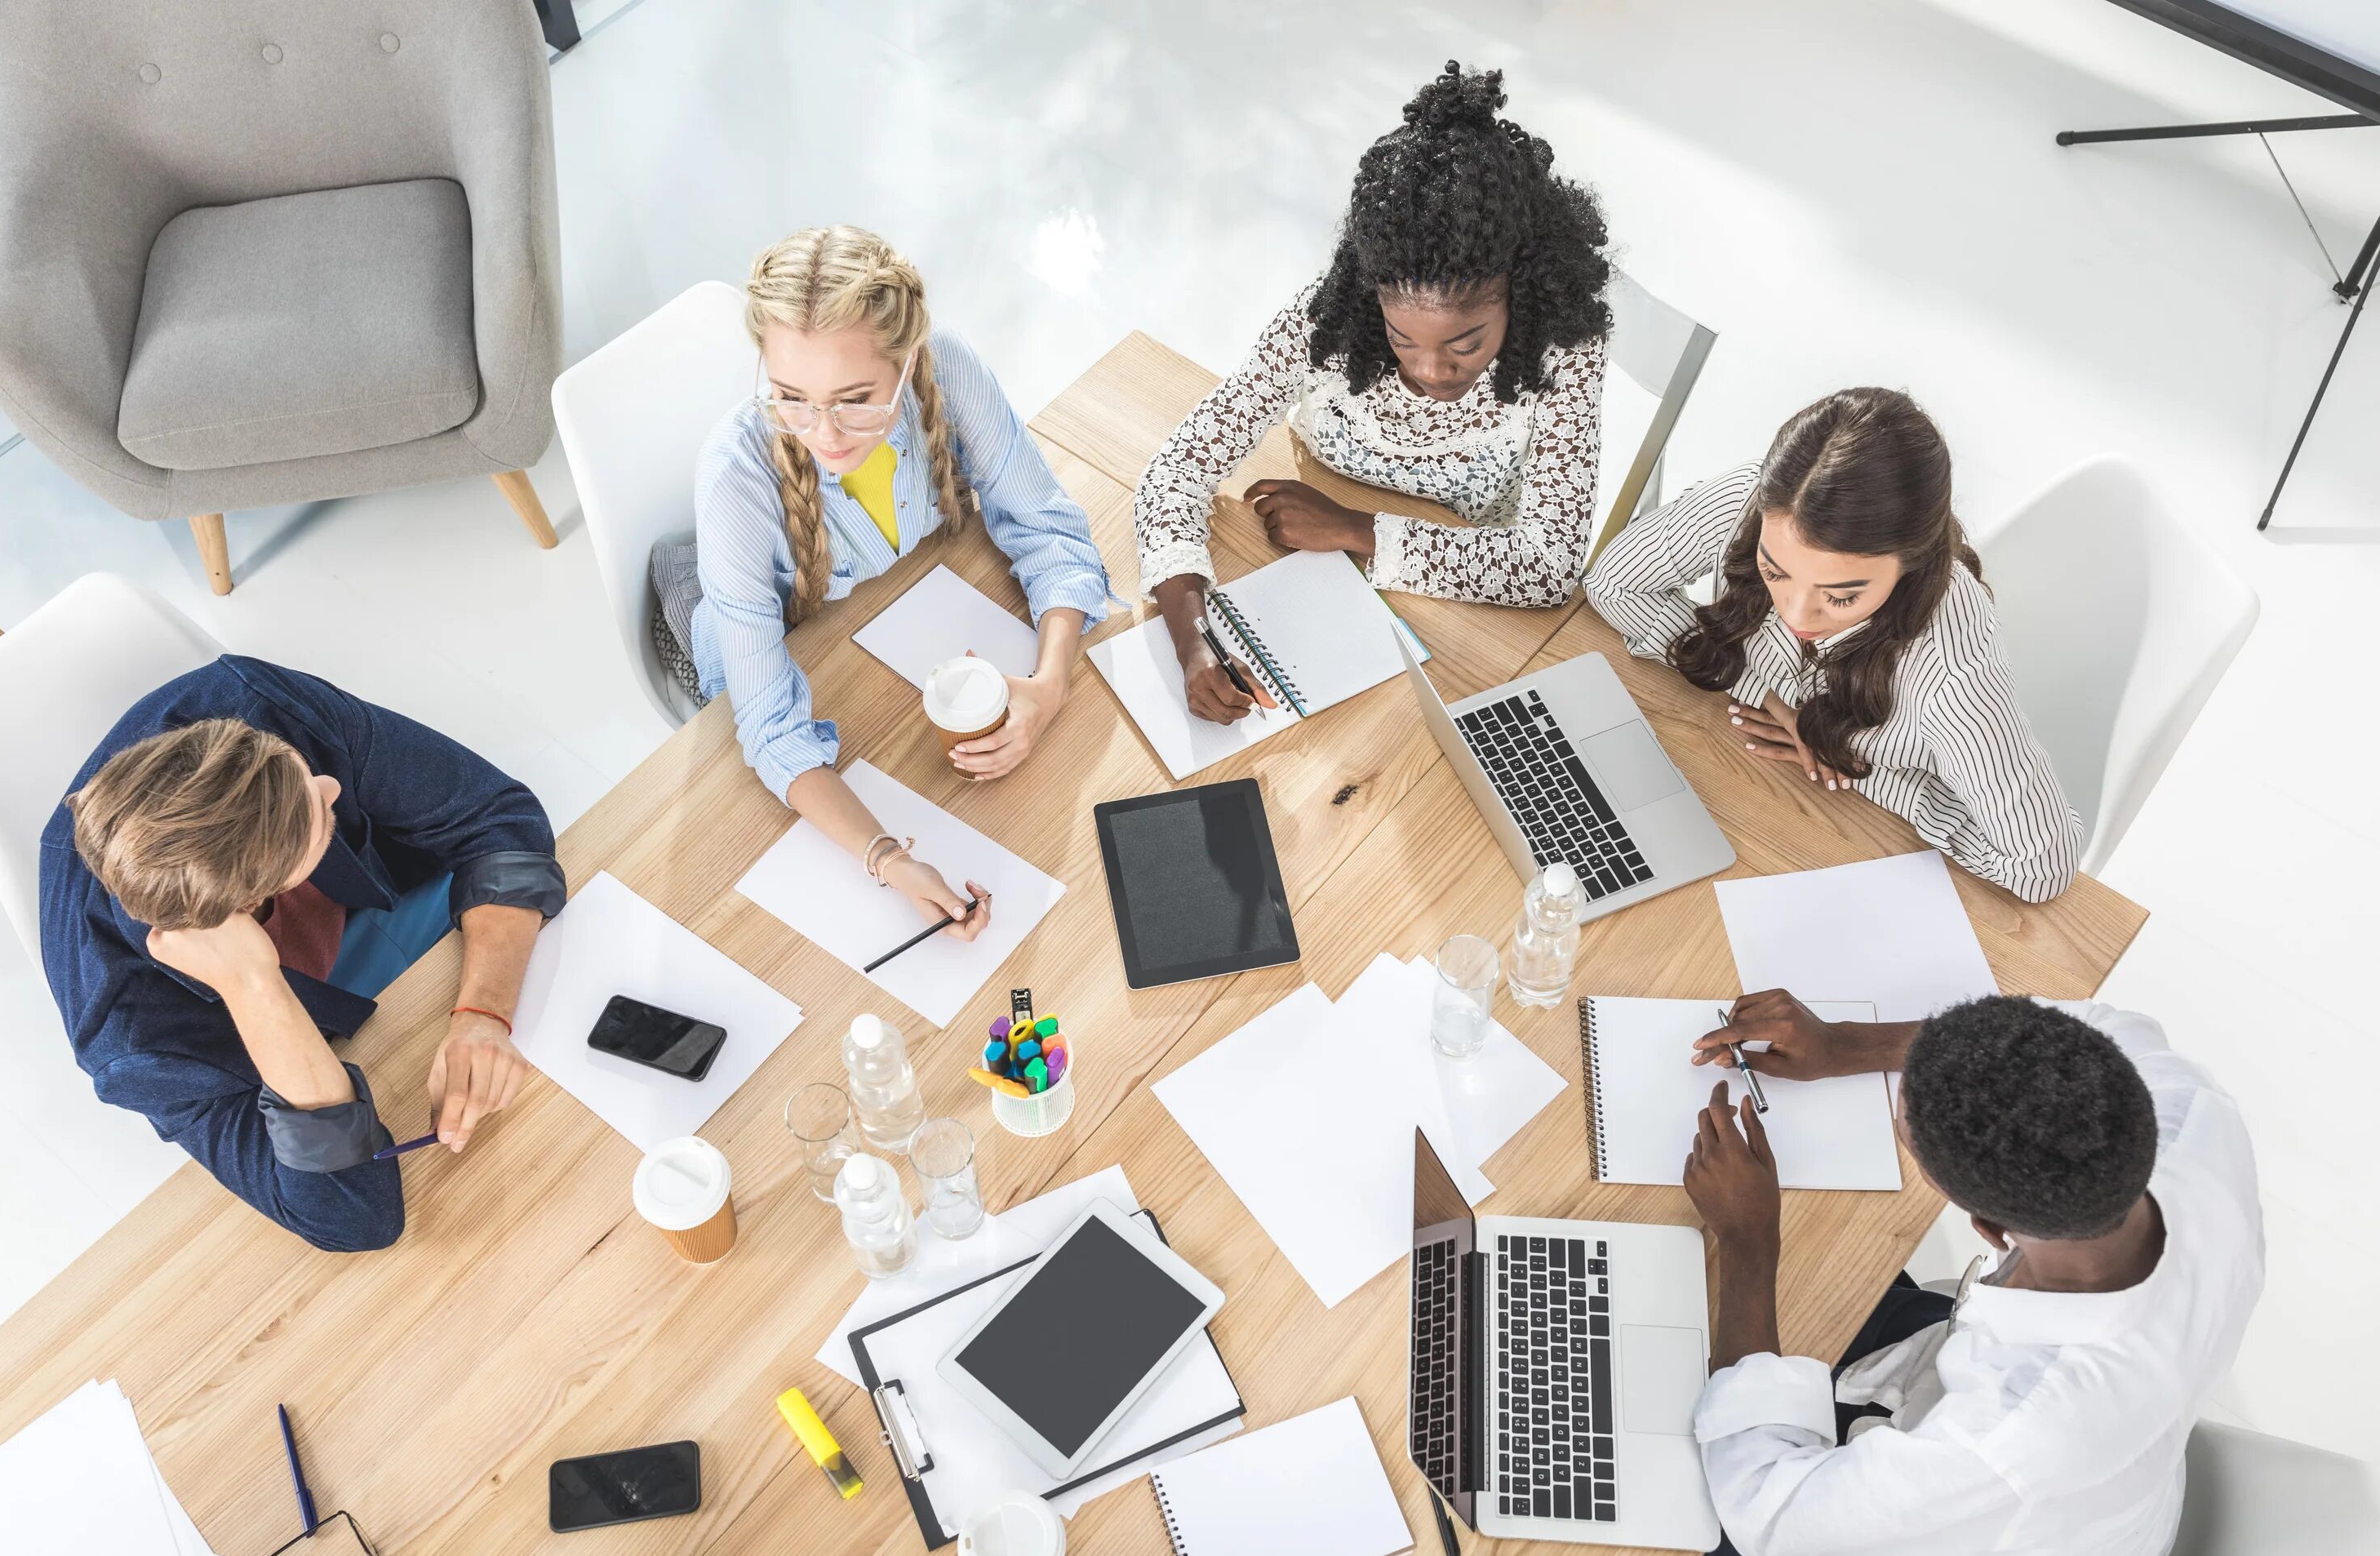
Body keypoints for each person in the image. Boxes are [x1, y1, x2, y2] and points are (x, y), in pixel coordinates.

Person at [1675, 989, 2264, 1556]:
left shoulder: (2012, 1438)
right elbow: (2084, 1024)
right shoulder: (2194, 1118)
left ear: (1987, 1229)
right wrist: (1847, 1045)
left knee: (1646, 1461)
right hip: (2084, 1495)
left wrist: (1748, 1241)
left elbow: (1764, 1509)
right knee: (1811, 1274)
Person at [658, 225, 1111, 941]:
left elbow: (1051, 530)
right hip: (752, 622)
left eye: (856, 397)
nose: (825, 433)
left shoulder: (948, 367)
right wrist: (890, 860)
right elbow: (773, 730)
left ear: (905, 362)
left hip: (883, 595)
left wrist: (1050, 685)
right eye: (791, 397)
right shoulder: (735, 479)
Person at [1135, 61, 1610, 725]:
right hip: (1320, 549)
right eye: (1402, 338)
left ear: (1520, 293)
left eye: (1466, 343)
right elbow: (1179, 469)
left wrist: (1351, 529)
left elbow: (1548, 566)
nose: (1431, 371)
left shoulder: (1564, 349)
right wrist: (1192, 643)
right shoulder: (1327, 323)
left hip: (1464, 574)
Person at [40, 658, 567, 1253]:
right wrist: (254, 987)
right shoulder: (133, 1038)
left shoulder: (255, 707)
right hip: (300, 1018)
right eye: (315, 820)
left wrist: (483, 1015)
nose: (329, 788)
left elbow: (498, 819)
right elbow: (353, 1216)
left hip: (387, 902)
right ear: (250, 901)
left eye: (301, 779)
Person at [1583, 388, 2080, 902]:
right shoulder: (1759, 505)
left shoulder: (1949, 665)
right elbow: (1614, 582)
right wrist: (1770, 699)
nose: (1796, 614)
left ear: (1909, 562)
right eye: (1774, 571)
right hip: (1737, 797)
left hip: (1859, 858)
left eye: (1841, 597)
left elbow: (2040, 866)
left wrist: (1859, 769)